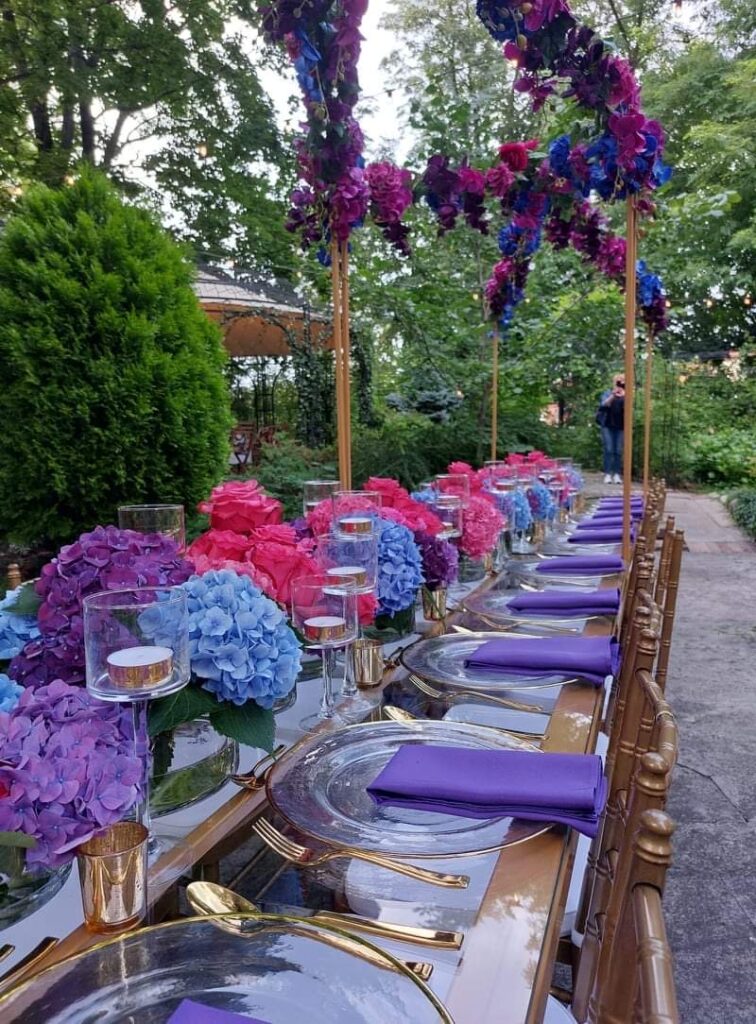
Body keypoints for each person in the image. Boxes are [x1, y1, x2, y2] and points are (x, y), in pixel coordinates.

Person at [597, 375, 625, 484]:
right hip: (607, 425)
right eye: (618, 382)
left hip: (620, 426)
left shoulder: (626, 394)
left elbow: (629, 409)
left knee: (618, 450)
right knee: (608, 449)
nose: (620, 384)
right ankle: (608, 474)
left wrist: (625, 396)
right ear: (614, 382)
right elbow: (603, 405)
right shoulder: (608, 393)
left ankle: (617, 474)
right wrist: (613, 395)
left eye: (622, 382)